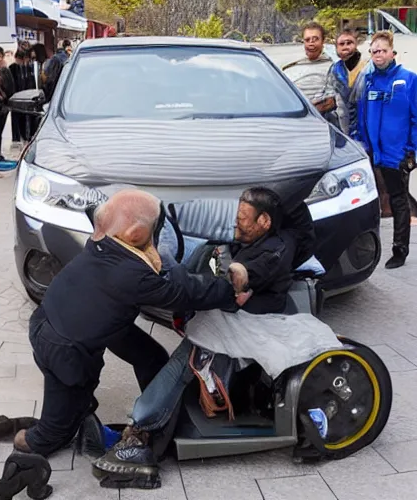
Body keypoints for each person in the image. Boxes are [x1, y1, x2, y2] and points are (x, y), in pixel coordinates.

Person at [0, 189, 250, 498]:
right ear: (137, 233)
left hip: (59, 323)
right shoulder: (132, 275)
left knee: (150, 355)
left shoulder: (102, 243)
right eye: (155, 229)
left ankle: (155, 420)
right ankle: (25, 449)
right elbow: (183, 293)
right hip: (68, 350)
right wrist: (229, 291)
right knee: (60, 424)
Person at [91, 187, 308, 487]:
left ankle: (140, 429)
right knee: (205, 249)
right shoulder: (264, 232)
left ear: (265, 222)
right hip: (234, 315)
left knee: (187, 358)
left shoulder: (275, 251)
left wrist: (231, 274)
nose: (236, 221)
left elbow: (247, 273)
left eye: (243, 218)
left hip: (251, 326)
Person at [353, 31, 417, 269]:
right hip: (373, 152)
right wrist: (360, 141)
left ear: (393, 53)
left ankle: (399, 250)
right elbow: (361, 116)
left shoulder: (408, 80)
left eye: (383, 50)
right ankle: (367, 248)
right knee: (370, 201)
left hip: (397, 154)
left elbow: (415, 118)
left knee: (398, 200)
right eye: (374, 51)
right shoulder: (367, 81)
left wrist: (411, 151)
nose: (378, 54)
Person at [283, 22, 341, 128]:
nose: (311, 43)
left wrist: (306, 112)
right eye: (307, 40)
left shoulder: (334, 67)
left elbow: (333, 101)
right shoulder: (291, 67)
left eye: (315, 39)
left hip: (321, 122)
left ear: (323, 41)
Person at [330, 28, 368, 136]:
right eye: (341, 44)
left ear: (356, 44)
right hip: (345, 126)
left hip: (367, 123)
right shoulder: (335, 70)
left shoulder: (368, 67)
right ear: (336, 48)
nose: (345, 46)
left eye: (349, 43)